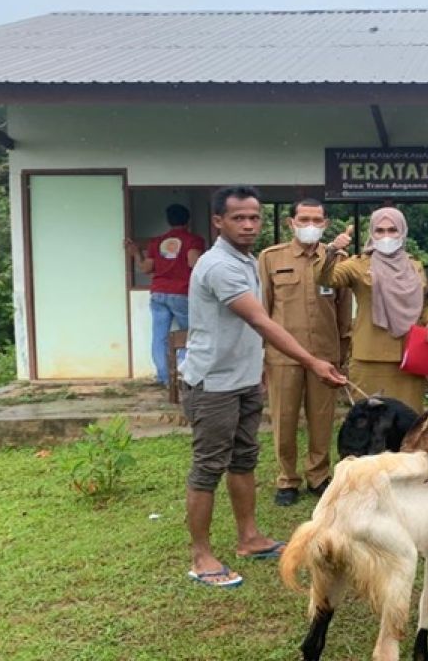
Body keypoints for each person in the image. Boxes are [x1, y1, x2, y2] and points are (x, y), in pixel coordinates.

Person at [180, 185, 346, 589]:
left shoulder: (247, 260)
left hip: (241, 380)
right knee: (208, 467)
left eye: (254, 216)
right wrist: (311, 360)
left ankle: (249, 538)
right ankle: (201, 556)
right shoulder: (220, 265)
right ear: (218, 221)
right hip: (213, 384)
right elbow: (261, 320)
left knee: (243, 460)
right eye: (239, 217)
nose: (250, 224)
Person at [258, 198, 353, 507]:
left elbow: (343, 311)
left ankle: (318, 475)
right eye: (304, 219)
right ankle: (287, 478)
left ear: (325, 224)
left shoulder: (336, 259)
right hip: (282, 356)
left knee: (322, 418)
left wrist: (343, 353)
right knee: (284, 418)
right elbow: (263, 309)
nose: (310, 225)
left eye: (317, 220)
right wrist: (260, 354)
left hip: (325, 355)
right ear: (291, 223)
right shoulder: (271, 258)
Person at [318, 207, 428, 413]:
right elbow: (325, 279)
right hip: (370, 357)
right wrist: (331, 251)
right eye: (380, 231)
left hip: (410, 356)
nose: (386, 236)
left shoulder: (414, 265)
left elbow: (423, 301)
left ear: (402, 232)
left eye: (392, 230)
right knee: (370, 421)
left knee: (408, 420)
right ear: (371, 234)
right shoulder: (357, 265)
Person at [124, 204, 206, 386]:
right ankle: (185, 376)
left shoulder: (157, 242)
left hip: (158, 292)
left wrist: (136, 253)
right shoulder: (193, 240)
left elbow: (146, 268)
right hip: (182, 292)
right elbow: (194, 263)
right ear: (188, 220)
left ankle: (164, 378)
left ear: (169, 220)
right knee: (188, 335)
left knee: (159, 336)